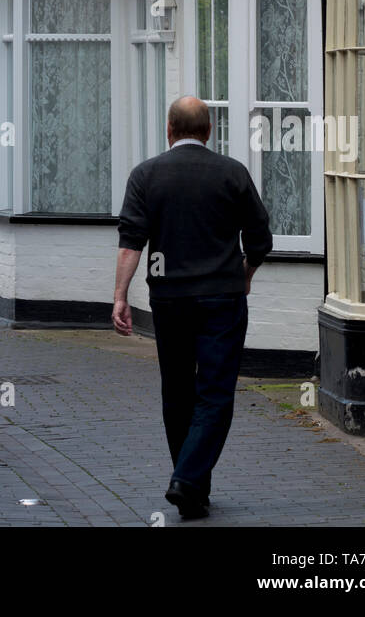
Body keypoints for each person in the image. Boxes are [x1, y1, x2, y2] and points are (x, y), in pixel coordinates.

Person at [113, 95, 272, 520]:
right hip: (222, 298)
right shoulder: (232, 173)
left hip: (169, 298)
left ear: (169, 130)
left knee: (177, 389)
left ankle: (191, 483)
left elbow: (131, 240)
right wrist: (247, 272)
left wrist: (120, 297)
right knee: (216, 392)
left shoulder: (146, 176)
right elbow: (259, 234)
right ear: (209, 131)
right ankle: (188, 479)